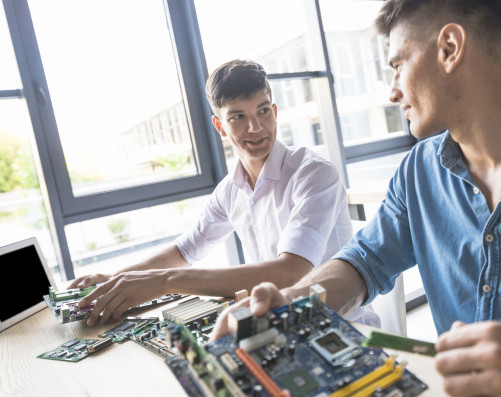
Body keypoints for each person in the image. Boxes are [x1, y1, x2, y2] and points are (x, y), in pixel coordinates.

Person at [211, 1, 501, 396]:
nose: (393, 91)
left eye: (397, 66)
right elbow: (362, 263)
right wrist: (294, 303)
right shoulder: (418, 172)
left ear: (449, 49)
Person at [70, 59, 377, 327]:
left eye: (263, 110)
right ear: (220, 126)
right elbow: (183, 252)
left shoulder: (313, 172)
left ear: (275, 111)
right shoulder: (229, 191)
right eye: (238, 117)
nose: (255, 127)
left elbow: (290, 272)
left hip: (341, 327)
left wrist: (165, 282)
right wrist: (114, 279)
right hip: (278, 325)